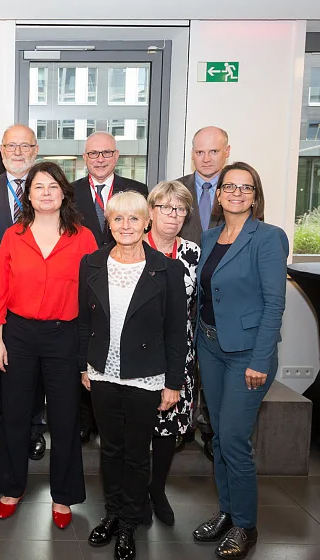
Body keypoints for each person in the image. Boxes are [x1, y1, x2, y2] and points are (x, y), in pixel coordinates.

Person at [0, 161, 97, 529]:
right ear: (28, 194)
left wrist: (89, 351)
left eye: (53, 186)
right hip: (18, 334)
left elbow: (94, 295)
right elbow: (0, 289)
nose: (46, 192)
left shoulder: (82, 237)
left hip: (64, 336)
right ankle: (10, 487)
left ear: (64, 192)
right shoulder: (13, 235)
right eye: (38, 187)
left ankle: (64, 495)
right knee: (15, 414)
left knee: (66, 418)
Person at [79, 190, 186, 560]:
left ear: (147, 223)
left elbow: (176, 331)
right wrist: (83, 365)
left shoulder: (168, 270)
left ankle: (128, 523)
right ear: (108, 224)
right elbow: (84, 321)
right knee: (110, 450)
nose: (126, 226)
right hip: (102, 373)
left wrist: (174, 382)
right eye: (118, 219)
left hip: (146, 376)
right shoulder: (91, 263)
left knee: (138, 454)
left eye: (134, 219)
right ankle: (111, 513)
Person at [192, 162, 288, 559]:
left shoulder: (268, 238)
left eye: (245, 188)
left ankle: (245, 526)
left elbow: (274, 304)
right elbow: (205, 295)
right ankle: (227, 512)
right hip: (211, 348)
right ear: (218, 194)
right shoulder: (211, 236)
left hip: (247, 355)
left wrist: (261, 360)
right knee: (218, 436)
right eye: (229, 186)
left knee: (234, 440)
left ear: (255, 195)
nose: (235, 193)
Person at [0, 124, 47, 460]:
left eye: (25, 146)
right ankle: (1, 428)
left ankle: (33, 429)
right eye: (11, 146)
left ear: (35, 149)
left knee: (36, 371)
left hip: (39, 300)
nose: (18, 152)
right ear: (0, 151)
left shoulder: (48, 189)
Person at [72, 131, 149, 445]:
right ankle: (86, 420)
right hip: (87, 280)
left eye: (106, 153)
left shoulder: (138, 190)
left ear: (117, 156)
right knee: (91, 343)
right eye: (93, 154)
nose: (99, 159)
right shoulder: (71, 191)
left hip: (128, 277)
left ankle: (118, 421)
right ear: (85, 158)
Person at [142, 181, 201, 527]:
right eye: (165, 207)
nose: (173, 215)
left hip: (179, 353)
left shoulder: (192, 252)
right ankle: (133, 492)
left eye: (180, 209)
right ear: (151, 212)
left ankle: (157, 488)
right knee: (135, 428)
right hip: (137, 355)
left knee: (167, 428)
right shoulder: (132, 246)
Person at [175, 126, 230, 461]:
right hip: (183, 289)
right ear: (192, 153)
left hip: (223, 293)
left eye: (213, 151)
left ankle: (210, 429)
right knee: (183, 360)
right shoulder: (176, 190)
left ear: (226, 151)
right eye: (199, 152)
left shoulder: (237, 189)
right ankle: (183, 424)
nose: (206, 158)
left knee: (214, 362)